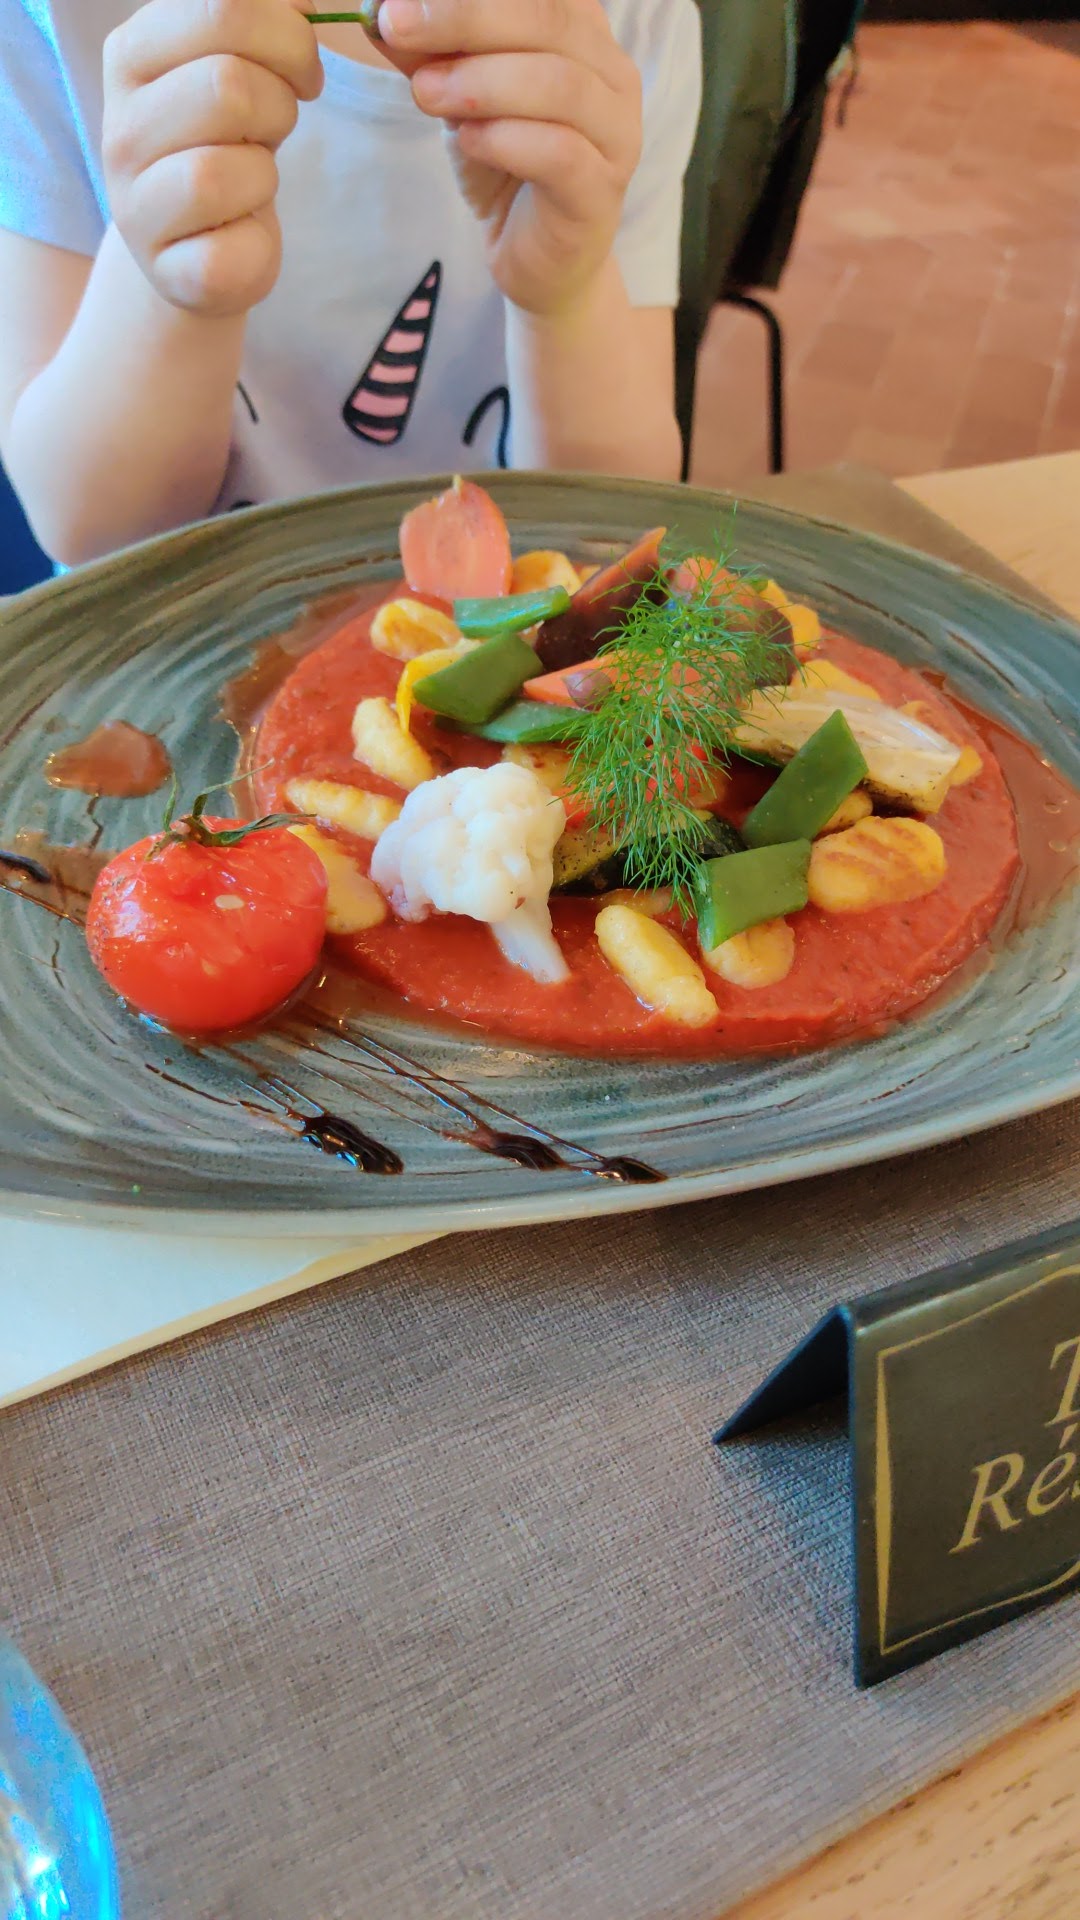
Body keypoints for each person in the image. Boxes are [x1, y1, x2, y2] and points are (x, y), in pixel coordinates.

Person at [0, 0, 702, 566]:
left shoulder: (622, 29)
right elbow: (85, 527)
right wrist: (169, 281)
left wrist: (566, 293)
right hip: (174, 657)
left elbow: (615, 522)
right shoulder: (54, 18)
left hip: (498, 651)